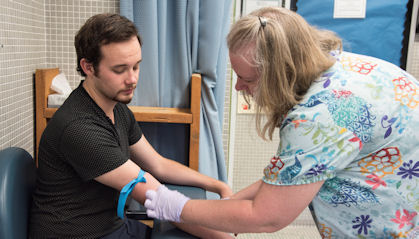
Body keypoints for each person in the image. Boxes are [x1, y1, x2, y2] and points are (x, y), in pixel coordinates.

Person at [144, 7, 419, 238]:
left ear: (281, 73)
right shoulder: (341, 65)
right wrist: (227, 207)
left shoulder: (318, 118)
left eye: (248, 79)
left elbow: (267, 216)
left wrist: (179, 207)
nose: (239, 86)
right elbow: (288, 178)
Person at [28, 13, 233, 239]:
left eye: (136, 67)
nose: (132, 79)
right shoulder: (80, 129)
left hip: (113, 226)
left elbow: (158, 165)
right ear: (88, 67)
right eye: (120, 69)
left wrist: (217, 185)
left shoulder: (115, 108)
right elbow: (158, 198)